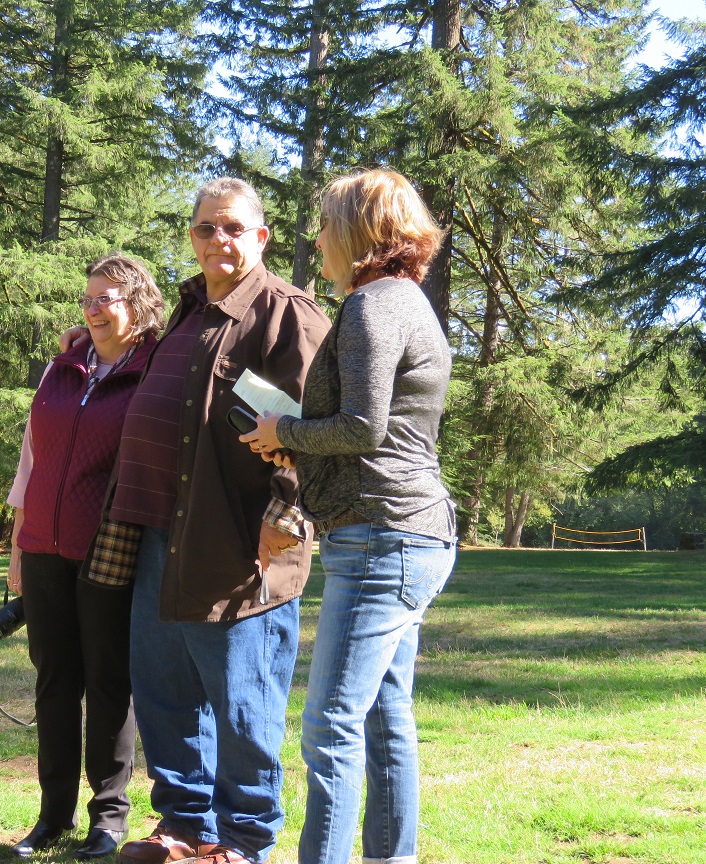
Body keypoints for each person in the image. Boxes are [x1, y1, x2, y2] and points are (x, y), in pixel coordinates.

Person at [66, 178, 330, 864]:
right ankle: (186, 826)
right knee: (166, 691)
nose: (220, 239)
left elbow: (321, 427)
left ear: (261, 237)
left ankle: (246, 838)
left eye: (235, 228)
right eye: (208, 227)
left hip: (240, 540)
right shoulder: (188, 313)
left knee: (243, 700)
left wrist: (289, 510)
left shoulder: (286, 314)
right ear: (192, 236)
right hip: (158, 533)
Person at [238, 169, 457, 864]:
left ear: (360, 232)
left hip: (382, 536)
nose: (318, 239)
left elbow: (363, 427)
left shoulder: (372, 306)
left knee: (330, 723)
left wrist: (283, 431)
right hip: (406, 532)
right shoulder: (405, 302)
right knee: (386, 718)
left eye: (327, 224)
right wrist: (297, 435)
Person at [6, 253, 166, 859]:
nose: (93, 310)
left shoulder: (153, 371)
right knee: (54, 683)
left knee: (107, 684)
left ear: (138, 305)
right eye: (88, 299)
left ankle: (109, 818)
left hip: (109, 551)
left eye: (107, 299)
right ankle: (52, 816)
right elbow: (30, 462)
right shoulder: (62, 367)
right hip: (42, 547)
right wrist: (17, 547)